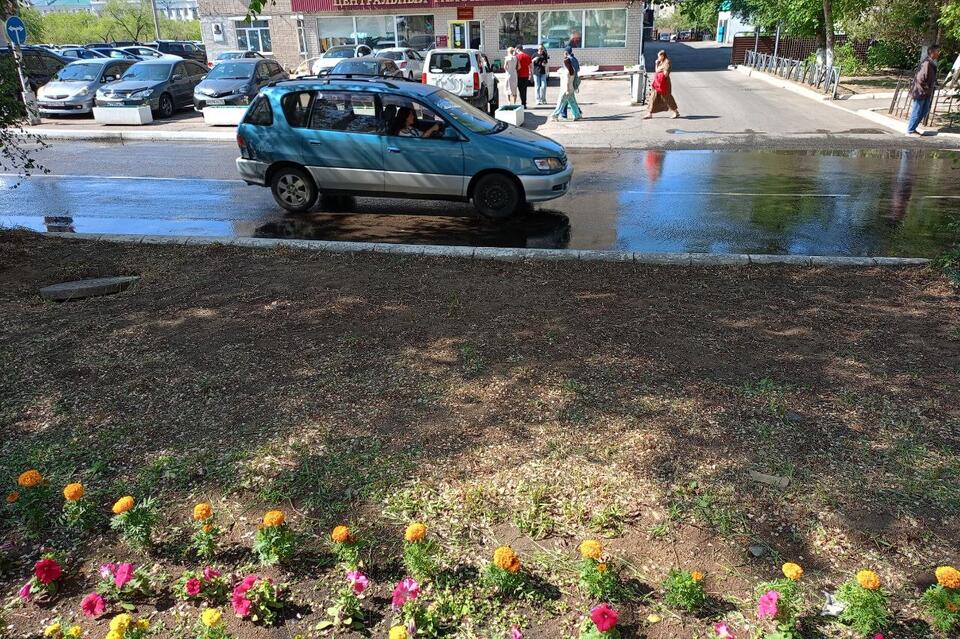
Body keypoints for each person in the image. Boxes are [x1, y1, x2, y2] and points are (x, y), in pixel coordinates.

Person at [906, 44, 941, 136]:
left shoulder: (930, 63)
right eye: (938, 51)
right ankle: (910, 130)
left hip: (925, 92)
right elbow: (921, 78)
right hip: (920, 92)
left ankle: (913, 128)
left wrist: (934, 83)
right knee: (917, 111)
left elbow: (929, 77)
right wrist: (927, 88)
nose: (939, 53)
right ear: (932, 53)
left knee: (924, 110)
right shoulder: (926, 63)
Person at [645, 49, 680, 119]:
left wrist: (663, 73)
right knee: (653, 97)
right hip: (657, 83)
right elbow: (656, 71)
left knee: (667, 97)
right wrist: (656, 63)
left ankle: (676, 112)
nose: (658, 58)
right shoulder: (660, 62)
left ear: (663, 56)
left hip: (663, 83)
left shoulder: (667, 62)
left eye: (659, 56)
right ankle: (649, 113)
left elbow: (666, 74)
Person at [550, 52, 581, 121]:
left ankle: (555, 115)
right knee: (573, 103)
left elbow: (567, 82)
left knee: (560, 103)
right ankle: (577, 114)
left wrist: (566, 90)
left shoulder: (567, 71)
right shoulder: (572, 69)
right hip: (571, 89)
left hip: (565, 90)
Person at [559, 45, 581, 119]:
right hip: (574, 81)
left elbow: (566, 72)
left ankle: (563, 114)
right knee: (571, 99)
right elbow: (578, 69)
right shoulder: (575, 59)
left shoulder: (567, 60)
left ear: (566, 52)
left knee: (564, 99)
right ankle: (577, 112)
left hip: (568, 82)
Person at [515, 44, 532, 108]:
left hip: (519, 75)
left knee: (520, 90)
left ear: (518, 49)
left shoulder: (517, 57)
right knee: (524, 90)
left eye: (516, 50)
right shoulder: (527, 56)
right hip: (526, 75)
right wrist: (531, 74)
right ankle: (524, 103)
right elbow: (531, 66)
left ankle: (522, 103)